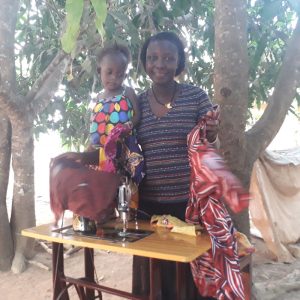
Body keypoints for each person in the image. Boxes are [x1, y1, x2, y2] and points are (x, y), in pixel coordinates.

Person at [132, 31, 219, 299]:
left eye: (169, 58)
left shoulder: (195, 96)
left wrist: (213, 129)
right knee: (153, 277)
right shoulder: (136, 103)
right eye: (153, 57)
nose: (160, 64)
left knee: (187, 277)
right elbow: (125, 146)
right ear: (145, 62)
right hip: (148, 208)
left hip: (189, 206)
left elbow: (210, 137)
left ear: (179, 62)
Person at [89, 42, 140, 170]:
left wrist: (127, 126)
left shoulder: (127, 92)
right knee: (103, 186)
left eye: (119, 74)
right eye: (109, 72)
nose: (114, 78)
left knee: (125, 186)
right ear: (99, 71)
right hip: (101, 154)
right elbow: (95, 127)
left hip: (124, 149)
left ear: (125, 76)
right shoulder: (98, 99)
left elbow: (138, 115)